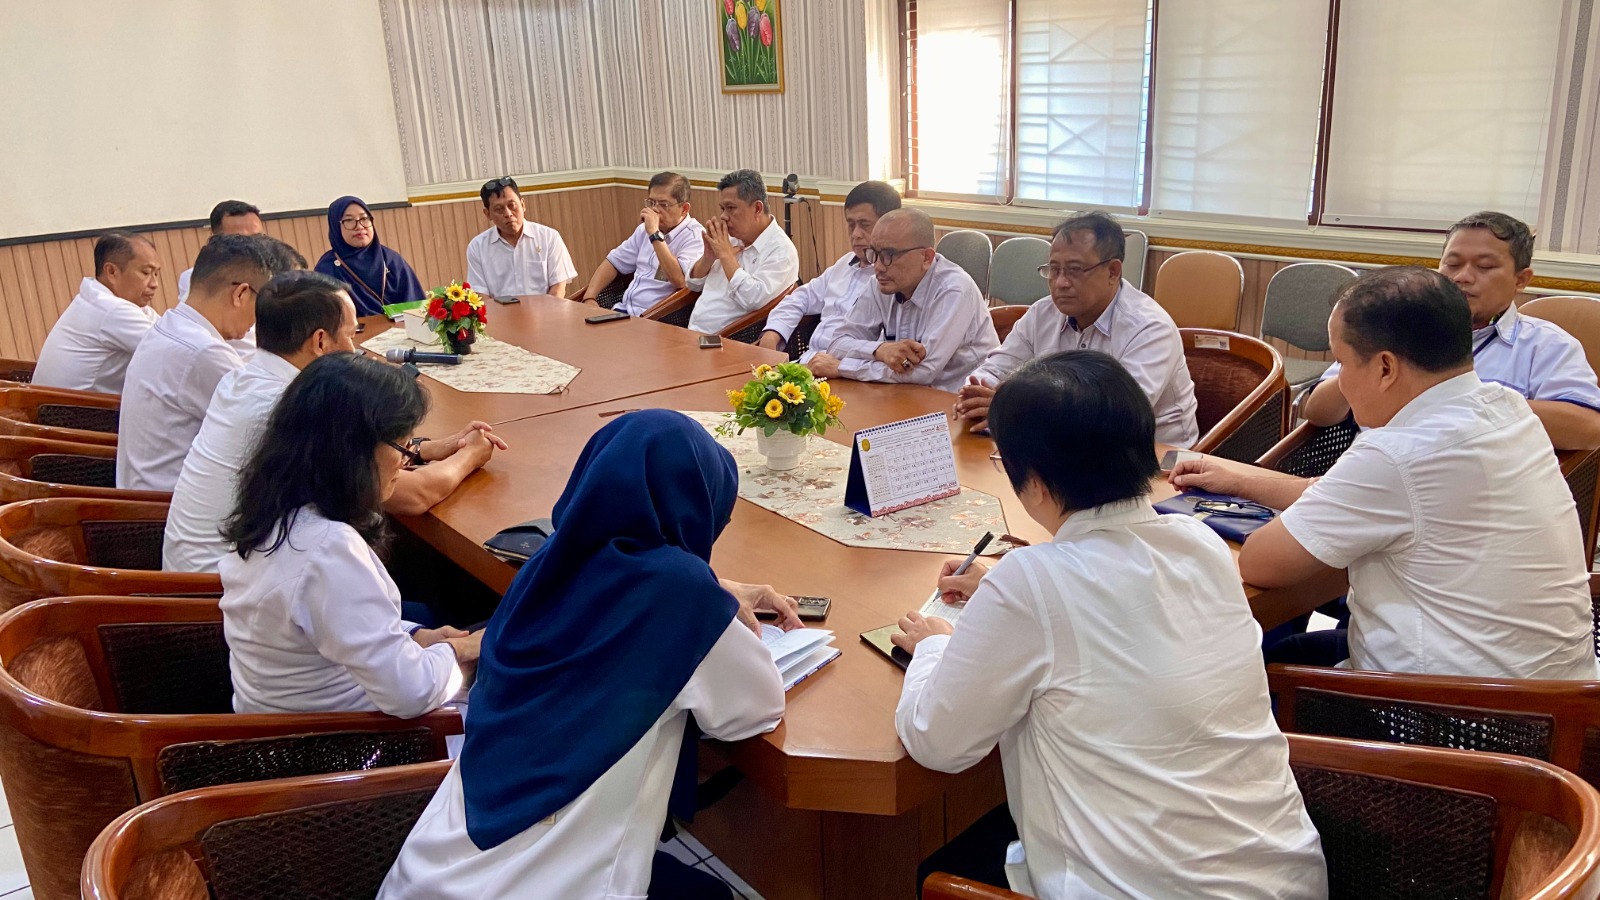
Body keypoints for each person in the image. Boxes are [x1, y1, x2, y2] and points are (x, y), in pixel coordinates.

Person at [893, 351, 1325, 899]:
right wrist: (1007, 591)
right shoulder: (1201, 543)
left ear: (1039, 483)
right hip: (1286, 876)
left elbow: (938, 742)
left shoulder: (1032, 583)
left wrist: (937, 648)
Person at [380, 411, 787, 900]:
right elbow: (755, 709)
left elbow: (619, 587)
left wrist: (708, 586)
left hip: (426, 874)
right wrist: (710, 598)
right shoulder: (683, 600)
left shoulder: (545, 566)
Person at [1173, 267, 1597, 679]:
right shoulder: (1505, 408)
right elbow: (1353, 495)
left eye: (1342, 364)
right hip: (1549, 693)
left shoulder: (1398, 451)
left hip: (1447, 715)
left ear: (1385, 368)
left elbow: (1263, 564)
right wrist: (1238, 480)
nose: (1341, 383)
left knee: (1244, 666)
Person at [163, 271, 508, 574]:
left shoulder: (245, 377)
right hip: (220, 596)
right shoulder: (290, 407)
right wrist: (471, 455)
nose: (354, 346)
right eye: (351, 333)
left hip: (218, 570)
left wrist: (419, 448)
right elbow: (412, 496)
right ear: (320, 341)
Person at [219, 352, 482, 716]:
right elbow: (413, 694)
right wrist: (459, 651)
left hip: (283, 729)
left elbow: (332, 620)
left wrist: (413, 636)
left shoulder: (274, 508)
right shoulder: (327, 549)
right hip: (345, 750)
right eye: (402, 446)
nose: (406, 460)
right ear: (353, 450)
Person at [1303, 211, 1600, 450]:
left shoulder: (1544, 344)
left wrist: (1459, 400)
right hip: (1371, 471)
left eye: (1484, 267)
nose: (1463, 277)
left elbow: (1587, 429)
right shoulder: (1399, 325)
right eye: (1452, 264)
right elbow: (1318, 411)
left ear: (1521, 280)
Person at [956, 212, 1199, 447]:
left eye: (1074, 270)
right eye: (1054, 269)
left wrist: (1016, 408)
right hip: (1063, 445)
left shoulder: (1150, 328)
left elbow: (1119, 417)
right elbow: (995, 369)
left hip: (1150, 456)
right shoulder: (1042, 313)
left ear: (1113, 271)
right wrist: (977, 393)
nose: (1060, 282)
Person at [117, 234, 301, 492]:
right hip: (164, 509)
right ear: (240, 294)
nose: (259, 320)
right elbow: (277, 428)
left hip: (143, 493)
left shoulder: (170, 325)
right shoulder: (203, 352)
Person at [808, 209, 999, 392]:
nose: (878, 267)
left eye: (889, 255)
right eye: (874, 253)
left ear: (926, 257)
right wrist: (880, 350)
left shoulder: (954, 289)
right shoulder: (880, 283)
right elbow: (838, 342)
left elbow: (923, 372)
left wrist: (843, 367)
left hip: (958, 400)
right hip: (903, 393)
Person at [756, 181, 900, 360]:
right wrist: (773, 332)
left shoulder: (894, 279)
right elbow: (800, 298)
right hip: (807, 363)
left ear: (889, 225)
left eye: (865, 225)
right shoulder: (843, 265)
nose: (856, 234)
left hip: (850, 372)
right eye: (851, 224)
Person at [33, 232, 163, 394]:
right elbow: (171, 350)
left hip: (60, 407)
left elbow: (170, 335)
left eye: (156, 274)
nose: (154, 284)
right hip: (71, 415)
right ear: (111, 272)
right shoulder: (111, 310)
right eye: (145, 273)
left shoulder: (102, 300)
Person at [685, 169, 799, 334]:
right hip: (693, 334)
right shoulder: (730, 238)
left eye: (731, 208)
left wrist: (725, 256)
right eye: (722, 208)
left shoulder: (782, 251)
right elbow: (692, 284)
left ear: (757, 208)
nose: (723, 216)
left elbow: (753, 299)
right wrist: (708, 258)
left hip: (728, 342)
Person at [579, 172, 704, 315]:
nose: (655, 210)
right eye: (651, 203)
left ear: (684, 208)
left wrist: (654, 235)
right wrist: (590, 297)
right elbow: (613, 262)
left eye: (664, 204)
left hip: (657, 318)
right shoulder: (643, 231)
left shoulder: (695, 236)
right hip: (623, 311)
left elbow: (680, 281)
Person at [466, 177, 577, 300]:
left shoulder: (549, 237)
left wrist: (545, 317)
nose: (508, 213)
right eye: (499, 209)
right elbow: (481, 295)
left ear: (523, 204)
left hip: (545, 315)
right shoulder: (477, 247)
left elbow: (558, 289)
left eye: (512, 205)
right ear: (488, 214)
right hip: (500, 317)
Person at [314, 196, 426, 316]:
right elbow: (326, 318)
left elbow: (416, 306)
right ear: (336, 227)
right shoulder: (327, 268)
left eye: (364, 218)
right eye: (349, 220)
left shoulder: (391, 260)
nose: (359, 226)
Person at [177, 201, 265, 303]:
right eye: (241, 239)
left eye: (258, 238)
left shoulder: (277, 273)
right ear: (216, 240)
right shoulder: (195, 279)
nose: (253, 245)